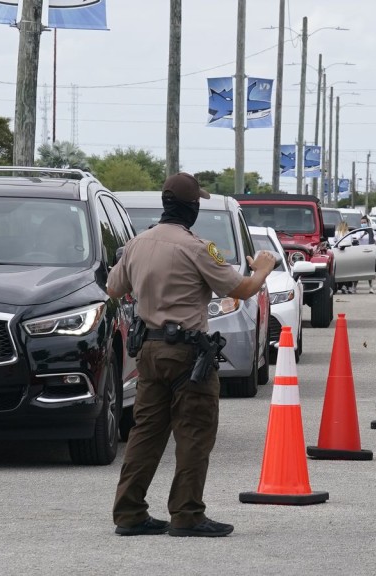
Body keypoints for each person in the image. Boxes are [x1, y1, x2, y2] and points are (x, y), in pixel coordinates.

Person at [107, 172, 277, 538]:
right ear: (193, 207)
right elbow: (243, 288)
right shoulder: (198, 247)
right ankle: (187, 514)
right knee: (195, 431)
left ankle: (129, 512)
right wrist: (263, 268)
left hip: (148, 351)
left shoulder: (137, 244)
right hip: (187, 354)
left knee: (145, 433)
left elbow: (112, 287)